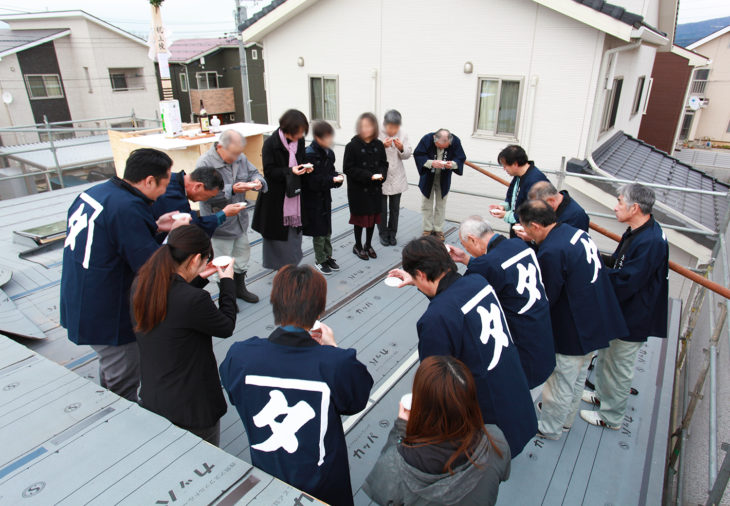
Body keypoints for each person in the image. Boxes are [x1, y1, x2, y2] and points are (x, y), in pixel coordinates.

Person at [219, 265, 373, 506]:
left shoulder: (240, 357)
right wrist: (332, 348)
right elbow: (356, 399)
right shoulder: (335, 363)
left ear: (275, 303)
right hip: (324, 485)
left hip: (267, 477)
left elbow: (232, 390)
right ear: (320, 309)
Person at [389, 236, 537, 457]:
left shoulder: (435, 320)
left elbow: (435, 384)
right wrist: (417, 279)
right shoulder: (479, 281)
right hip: (515, 396)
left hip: (488, 422)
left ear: (421, 273)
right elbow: (451, 298)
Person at [60, 148, 186, 401]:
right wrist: (177, 236)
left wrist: (156, 227)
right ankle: (121, 416)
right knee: (124, 374)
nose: (165, 191)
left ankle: (110, 398)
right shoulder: (127, 207)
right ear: (149, 180)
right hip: (108, 309)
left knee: (109, 365)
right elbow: (149, 265)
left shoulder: (95, 193)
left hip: (78, 295)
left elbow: (113, 240)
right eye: (164, 183)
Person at [516, 200, 628, 440]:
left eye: (527, 228)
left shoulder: (551, 251)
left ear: (535, 225)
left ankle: (550, 428)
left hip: (574, 327)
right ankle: (565, 420)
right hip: (597, 318)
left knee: (561, 381)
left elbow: (548, 295)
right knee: (578, 376)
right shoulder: (575, 233)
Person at [133, 225, 236, 445]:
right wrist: (227, 280)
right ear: (196, 258)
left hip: (155, 395)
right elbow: (225, 326)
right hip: (192, 406)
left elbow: (174, 303)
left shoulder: (142, 283)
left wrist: (199, 277)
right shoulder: (193, 300)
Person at [363, 356, 511, 506]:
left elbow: (381, 491)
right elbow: (502, 474)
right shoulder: (496, 442)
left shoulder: (394, 467)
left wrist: (401, 427)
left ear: (421, 406)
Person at [580, 184, 669, 429]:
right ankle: (602, 395)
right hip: (623, 311)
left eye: (620, 201)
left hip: (633, 315)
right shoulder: (638, 231)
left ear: (635, 207)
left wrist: (594, 280)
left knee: (619, 367)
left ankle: (611, 417)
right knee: (608, 359)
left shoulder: (650, 241)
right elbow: (620, 264)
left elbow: (627, 280)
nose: (615, 207)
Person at [449, 215, 555, 389]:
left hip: (520, 342)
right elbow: (499, 267)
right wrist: (467, 259)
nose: (465, 249)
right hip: (542, 330)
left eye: (465, 245)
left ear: (473, 239)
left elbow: (463, 294)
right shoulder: (519, 244)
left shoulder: (485, 265)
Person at [198, 129, 267, 303]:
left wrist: (258, 182)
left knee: (242, 256)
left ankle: (240, 288)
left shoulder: (240, 157)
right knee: (222, 262)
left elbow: (254, 172)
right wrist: (233, 189)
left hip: (240, 220)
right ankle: (226, 298)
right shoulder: (205, 163)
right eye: (234, 154)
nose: (237, 158)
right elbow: (203, 195)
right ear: (220, 147)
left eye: (239, 153)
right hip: (219, 223)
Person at [252, 109, 309, 270]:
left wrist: (305, 168)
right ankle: (281, 269)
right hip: (276, 199)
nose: (299, 136)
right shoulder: (270, 144)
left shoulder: (300, 142)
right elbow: (269, 172)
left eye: (301, 132)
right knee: (278, 239)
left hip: (295, 196)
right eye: (297, 133)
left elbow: (302, 160)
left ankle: (291, 266)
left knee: (294, 237)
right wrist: (290, 171)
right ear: (287, 129)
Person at [150, 167, 245, 238]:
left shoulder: (173, 179)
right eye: (209, 196)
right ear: (198, 186)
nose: (205, 200)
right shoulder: (171, 194)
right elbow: (190, 227)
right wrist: (223, 214)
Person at [343, 112, 389, 260]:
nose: (366, 129)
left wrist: (382, 174)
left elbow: (384, 163)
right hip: (358, 190)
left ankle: (368, 245)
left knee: (372, 219)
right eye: (363, 126)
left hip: (375, 189)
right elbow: (348, 168)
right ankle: (357, 245)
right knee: (360, 220)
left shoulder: (379, 145)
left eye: (369, 126)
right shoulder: (352, 146)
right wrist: (368, 176)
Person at [303, 120, 343, 275]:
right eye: (327, 137)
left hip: (325, 197)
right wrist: (331, 180)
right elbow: (311, 182)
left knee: (327, 229)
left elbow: (330, 173)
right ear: (318, 138)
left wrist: (336, 178)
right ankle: (320, 260)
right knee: (318, 231)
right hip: (313, 199)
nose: (330, 140)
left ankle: (328, 256)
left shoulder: (328, 153)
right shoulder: (309, 155)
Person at [413, 129, 465, 240]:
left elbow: (460, 157)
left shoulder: (455, 141)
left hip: (444, 177)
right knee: (426, 204)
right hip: (428, 176)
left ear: (449, 142)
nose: (442, 148)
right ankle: (427, 229)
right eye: (439, 146)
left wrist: (453, 164)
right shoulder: (427, 139)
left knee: (441, 204)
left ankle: (438, 229)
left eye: (445, 147)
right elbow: (418, 154)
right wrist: (431, 163)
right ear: (434, 139)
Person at [489, 145, 549, 237]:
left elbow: (534, 212)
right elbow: (512, 197)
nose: (504, 169)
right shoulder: (519, 175)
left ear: (515, 164)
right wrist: (504, 207)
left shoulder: (535, 181)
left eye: (505, 165)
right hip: (519, 228)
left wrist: (506, 215)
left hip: (529, 233)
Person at [378, 109, 412, 246]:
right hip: (381, 174)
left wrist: (401, 147)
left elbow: (408, 154)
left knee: (395, 208)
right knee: (381, 208)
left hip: (397, 174)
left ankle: (392, 234)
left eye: (396, 127)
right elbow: (369, 152)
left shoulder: (403, 133)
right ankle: (383, 234)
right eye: (390, 127)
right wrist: (382, 146)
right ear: (385, 124)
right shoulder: (376, 132)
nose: (393, 130)